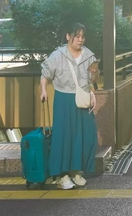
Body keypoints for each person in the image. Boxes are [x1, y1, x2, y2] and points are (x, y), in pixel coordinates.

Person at [40, 23, 99, 190]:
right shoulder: (58, 55)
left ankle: (76, 171)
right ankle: (62, 174)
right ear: (68, 36)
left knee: (85, 135)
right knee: (64, 137)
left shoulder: (88, 55)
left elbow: (93, 80)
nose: (80, 40)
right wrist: (43, 90)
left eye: (82, 37)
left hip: (83, 99)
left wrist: (94, 75)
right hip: (64, 99)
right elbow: (45, 73)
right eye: (77, 36)